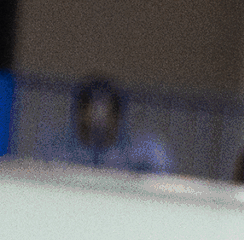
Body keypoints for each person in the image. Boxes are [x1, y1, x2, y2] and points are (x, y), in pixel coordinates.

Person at [37, 75, 173, 175]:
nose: (98, 121)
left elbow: (161, 180)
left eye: (105, 112)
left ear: (118, 116)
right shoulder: (57, 147)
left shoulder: (146, 149)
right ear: (79, 114)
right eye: (92, 111)